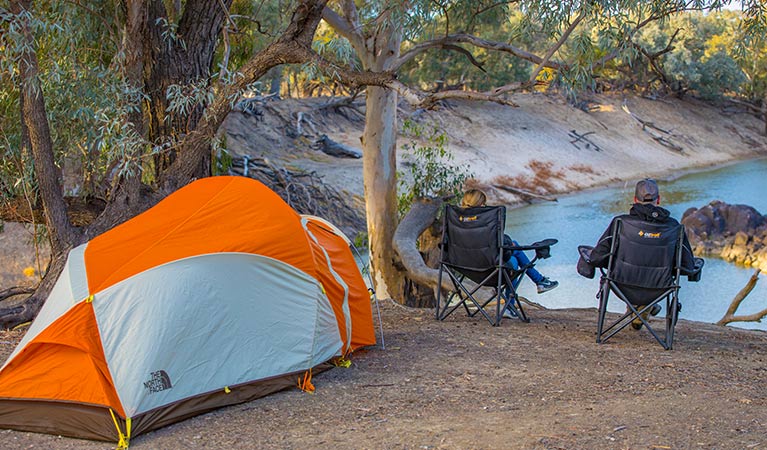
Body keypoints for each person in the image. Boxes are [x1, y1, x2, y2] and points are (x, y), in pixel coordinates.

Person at [584, 178, 702, 329]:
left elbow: (597, 257)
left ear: (634, 199)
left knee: (629, 265)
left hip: (621, 284)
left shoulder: (620, 223)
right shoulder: (673, 228)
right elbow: (686, 266)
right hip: (658, 288)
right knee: (650, 274)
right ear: (658, 200)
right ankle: (644, 307)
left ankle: (640, 308)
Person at [460, 189, 559, 295]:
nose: (485, 206)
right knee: (514, 257)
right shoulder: (483, 220)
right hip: (488, 270)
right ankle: (536, 284)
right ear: (479, 204)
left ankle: (539, 281)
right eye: (483, 204)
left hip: (466, 268)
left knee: (513, 256)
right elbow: (498, 240)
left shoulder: (456, 221)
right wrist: (509, 242)